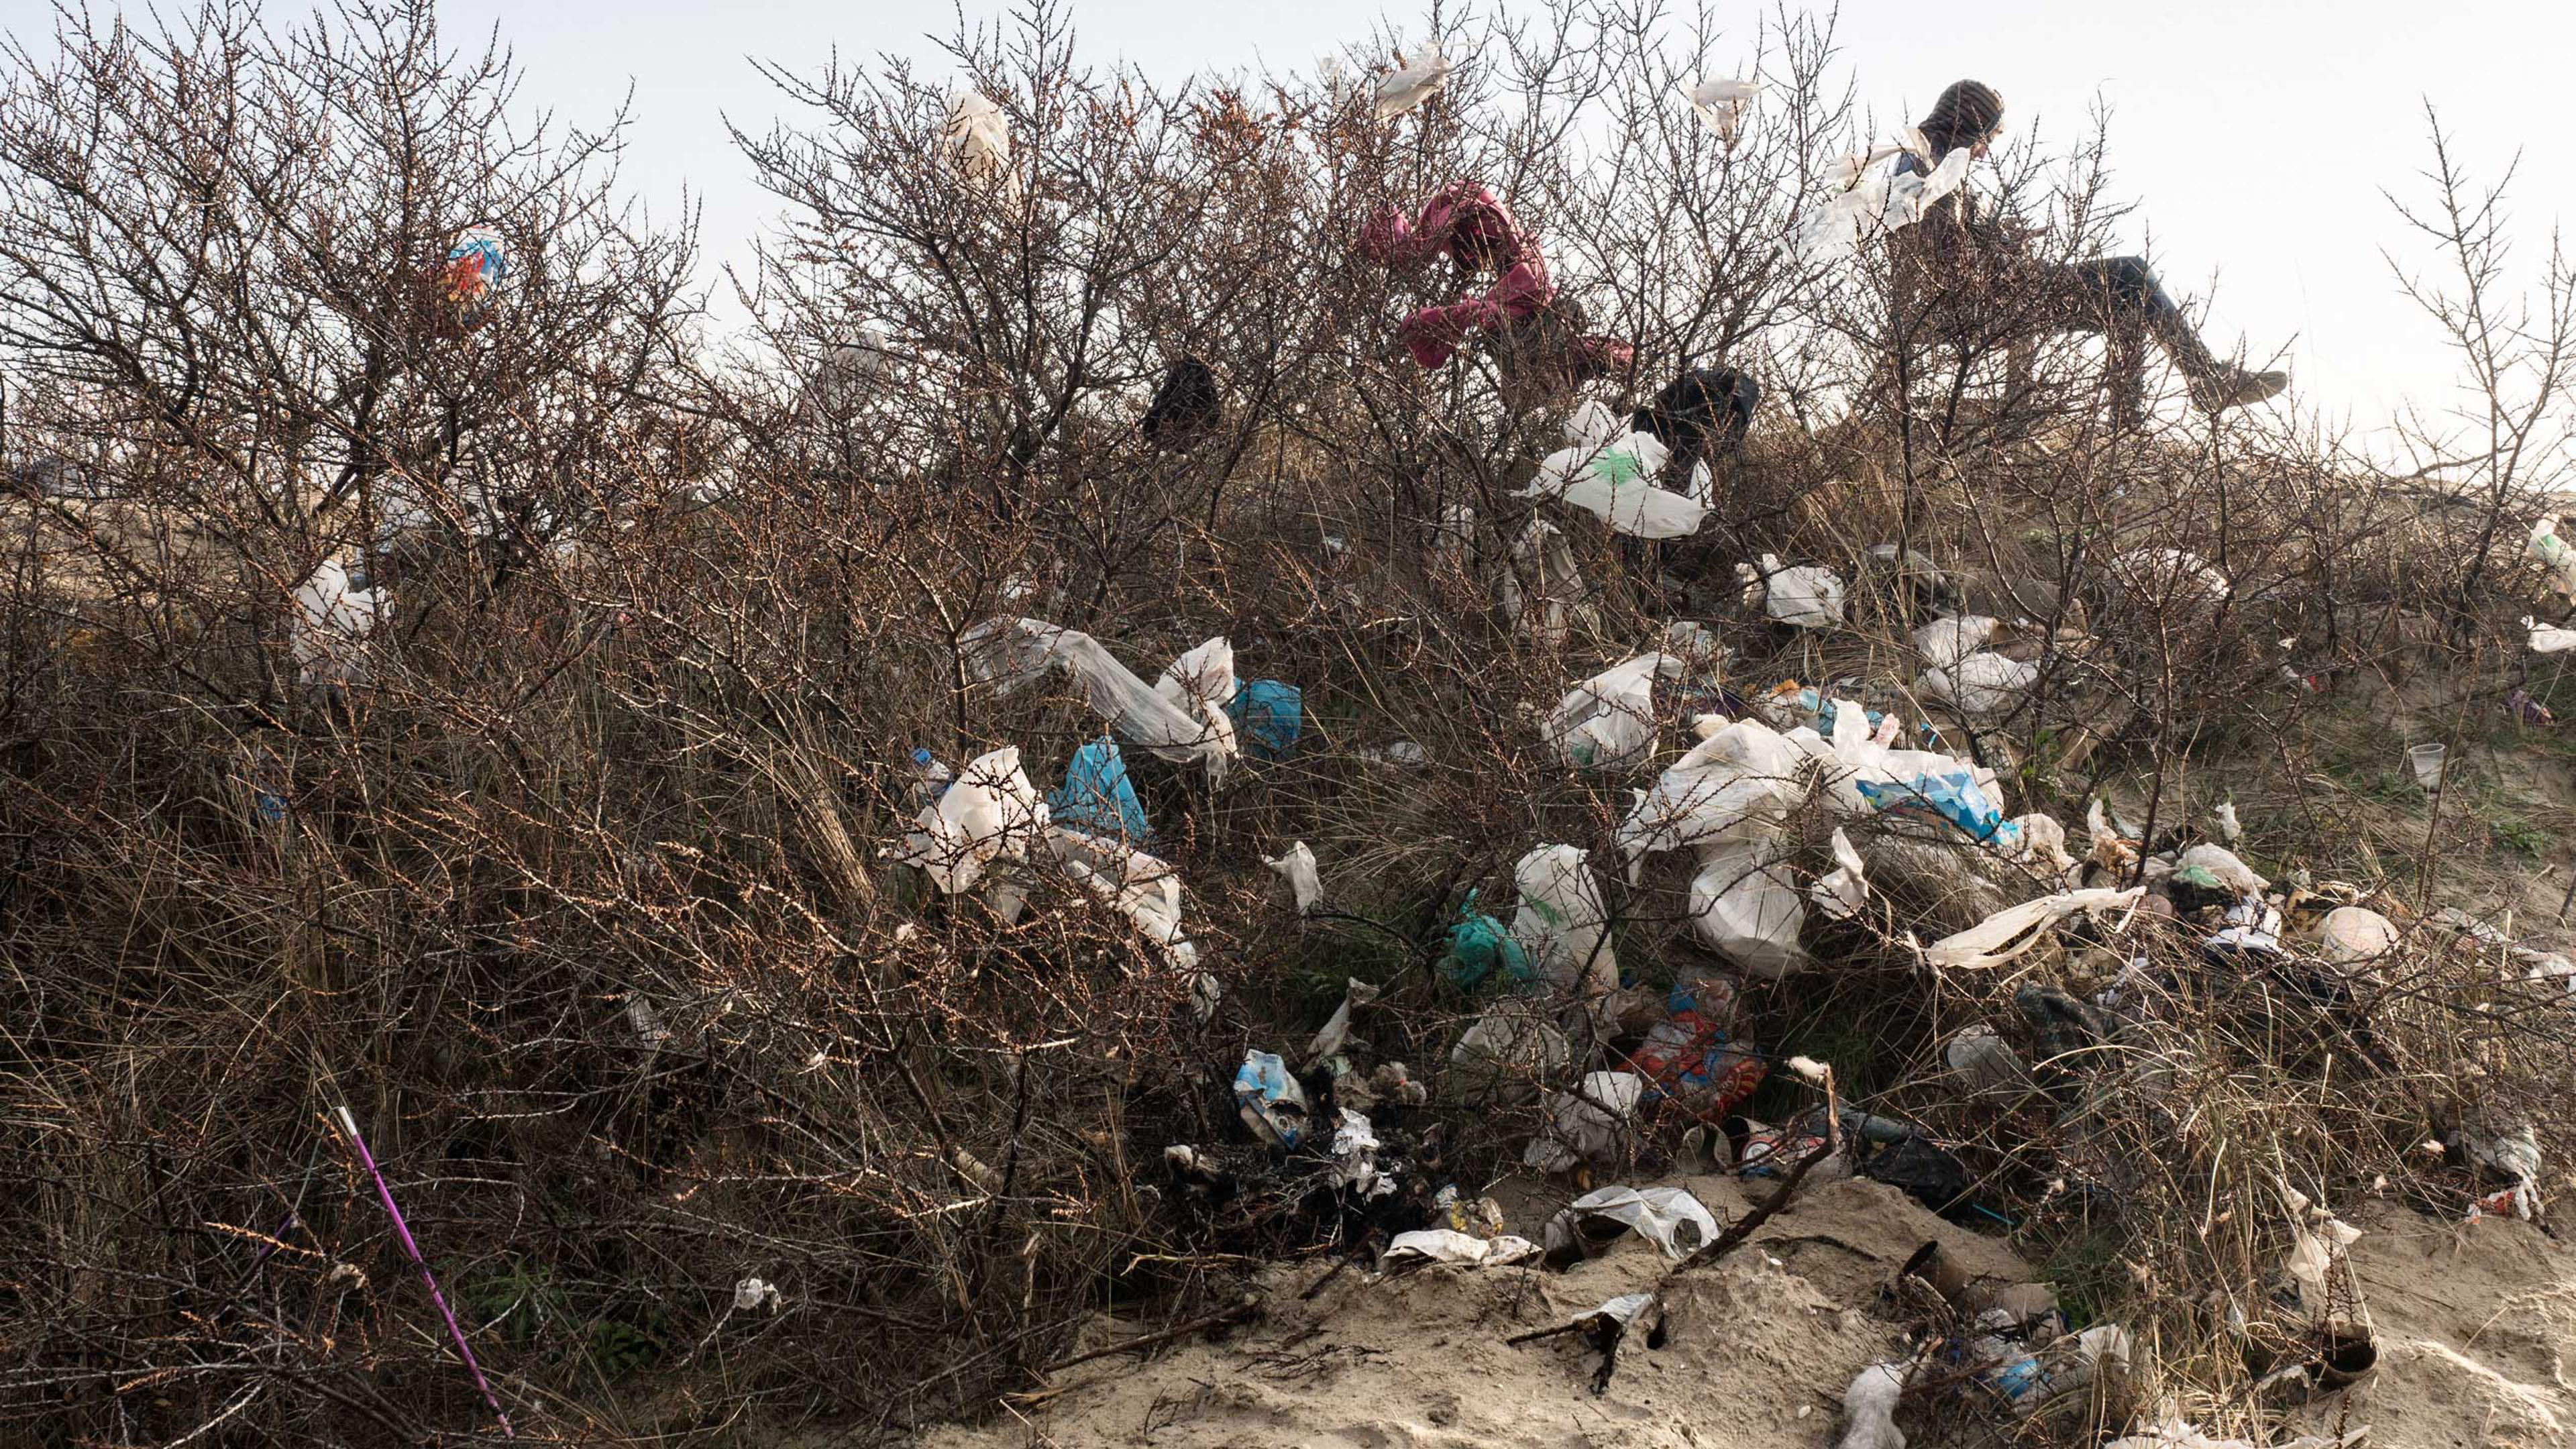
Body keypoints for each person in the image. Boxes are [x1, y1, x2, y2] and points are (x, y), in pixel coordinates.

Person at [1897, 80, 2288, 423]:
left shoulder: (1932, 160)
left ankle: (2129, 423)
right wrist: (2001, 249)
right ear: (1969, 122)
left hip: (1984, 297)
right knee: (2131, 275)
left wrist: (2001, 240)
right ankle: (2203, 378)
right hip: (1974, 305)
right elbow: (1945, 256)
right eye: (1987, 138)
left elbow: (1952, 242)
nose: (1985, 153)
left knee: (2126, 302)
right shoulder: (1930, 165)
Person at [1360, 182, 1631, 400]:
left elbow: (1471, 230)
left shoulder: (1439, 219)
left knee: (1527, 371)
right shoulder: (1440, 220)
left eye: (1390, 256)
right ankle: (1603, 357)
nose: (1400, 265)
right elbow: (1472, 254)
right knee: (1525, 375)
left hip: (1525, 278)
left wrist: (1466, 308)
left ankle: (1608, 355)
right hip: (1521, 278)